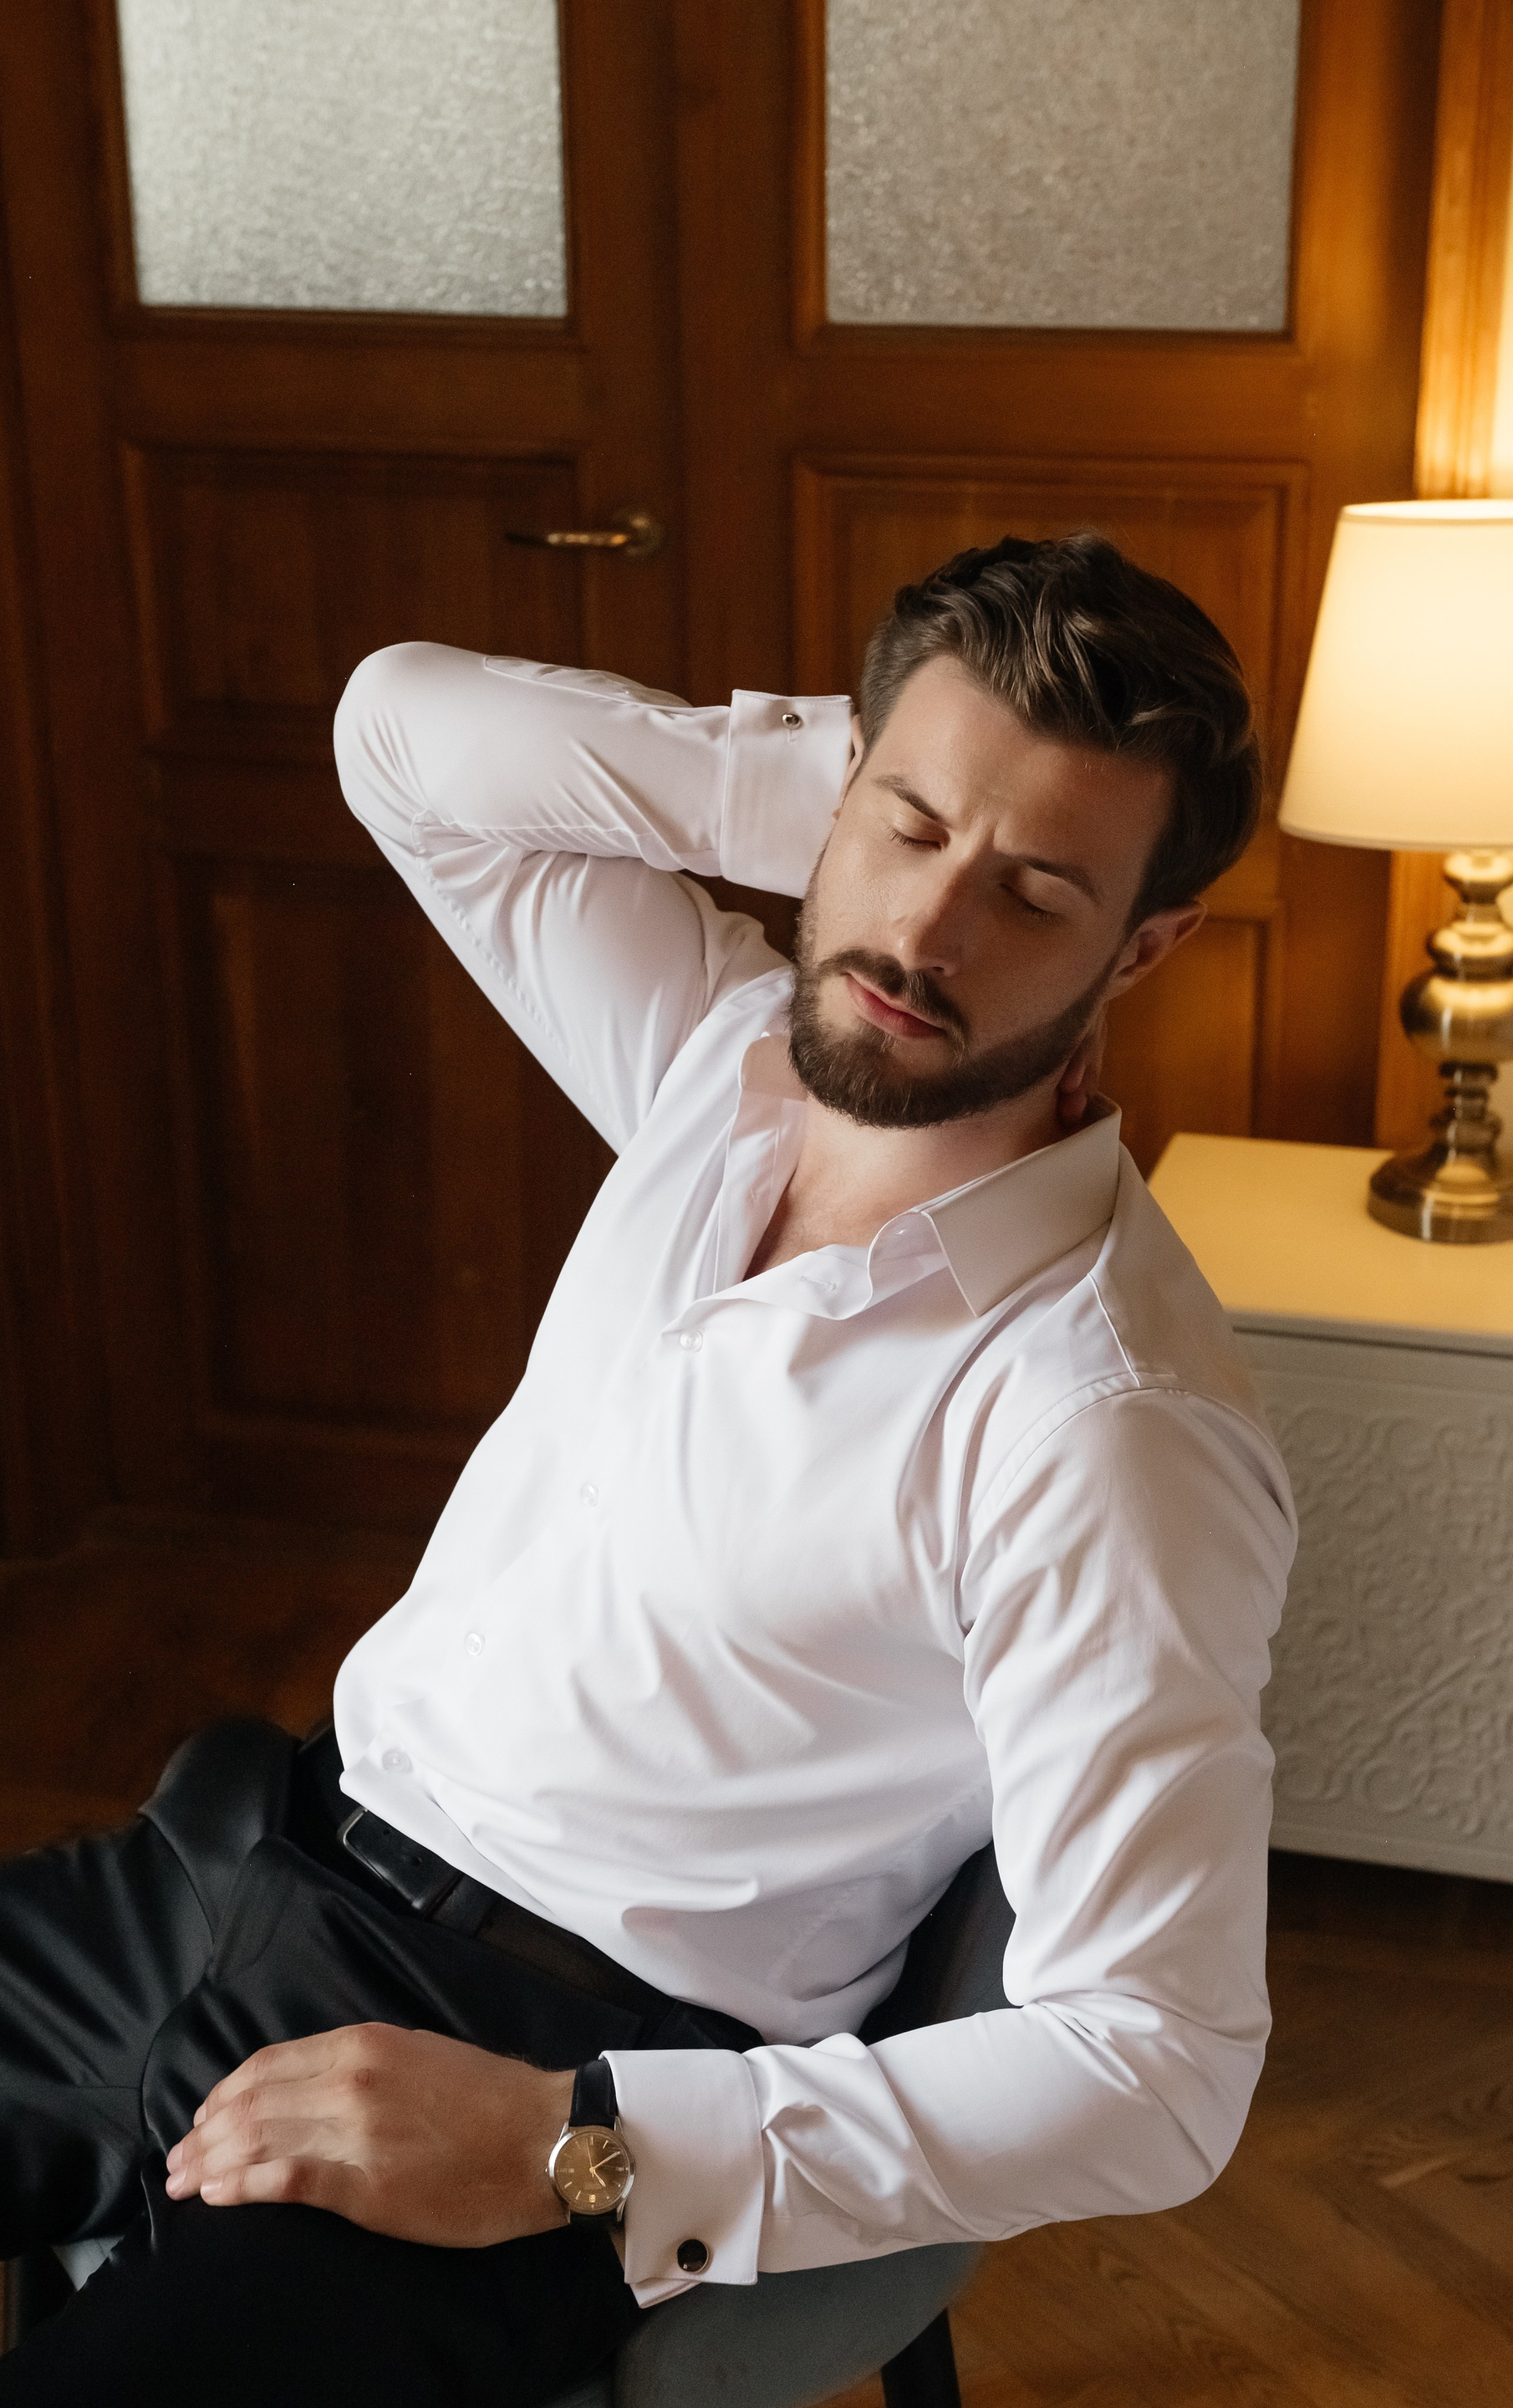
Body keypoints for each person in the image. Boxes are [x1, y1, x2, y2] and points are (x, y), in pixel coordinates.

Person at [0, 534, 1295, 2404]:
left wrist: (572, 2144)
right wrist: (835, 787)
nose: (926, 939)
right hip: (228, 1869)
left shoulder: (1105, 1423)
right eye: (908, 826)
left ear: (1144, 948)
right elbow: (399, 736)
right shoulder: (719, 1058)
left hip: (535, 2046)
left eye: (1035, 892)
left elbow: (1159, 2063)